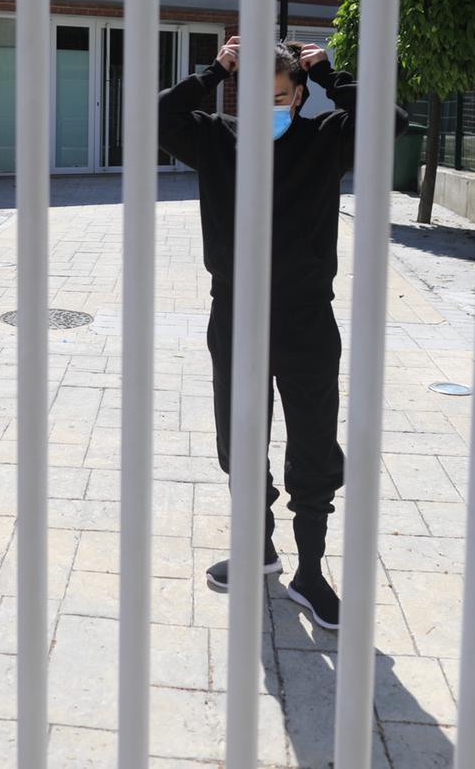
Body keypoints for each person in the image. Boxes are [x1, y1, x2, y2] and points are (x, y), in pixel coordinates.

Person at [157, 36, 407, 630]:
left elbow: (390, 121)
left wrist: (329, 71)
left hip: (305, 319)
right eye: (255, 95)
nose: (268, 107)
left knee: (314, 445)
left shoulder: (324, 141)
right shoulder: (218, 140)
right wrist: (214, 69)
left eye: (280, 95)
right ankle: (258, 548)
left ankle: (312, 571)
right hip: (235, 316)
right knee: (239, 443)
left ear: (297, 97)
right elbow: (157, 116)